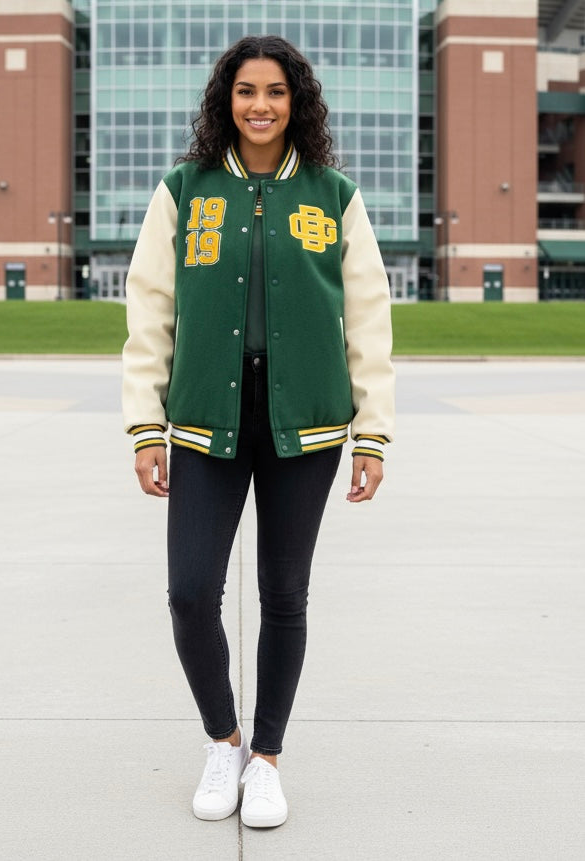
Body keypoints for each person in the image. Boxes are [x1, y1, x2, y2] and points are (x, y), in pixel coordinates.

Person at [122, 34, 394, 829]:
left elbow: (367, 319)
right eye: (245, 91)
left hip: (304, 426)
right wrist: (145, 425)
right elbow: (149, 311)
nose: (260, 106)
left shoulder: (332, 194)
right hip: (205, 420)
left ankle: (267, 759)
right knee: (188, 593)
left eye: (275, 91)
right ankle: (223, 740)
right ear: (224, 100)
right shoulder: (185, 189)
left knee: (283, 594)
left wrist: (372, 434)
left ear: (296, 100)